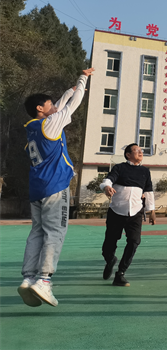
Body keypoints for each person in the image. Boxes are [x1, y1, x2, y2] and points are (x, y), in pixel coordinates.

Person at [18, 68, 94, 307]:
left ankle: (29, 278)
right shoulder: (51, 124)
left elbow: (61, 104)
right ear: (41, 109)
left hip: (37, 189)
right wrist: (82, 81)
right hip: (55, 186)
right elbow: (72, 105)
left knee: (37, 232)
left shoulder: (33, 128)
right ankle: (44, 280)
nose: (55, 108)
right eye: (50, 105)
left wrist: (68, 89)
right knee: (56, 232)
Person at [100, 143, 156, 287]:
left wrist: (152, 211)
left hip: (136, 212)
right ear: (128, 155)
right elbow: (109, 179)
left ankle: (121, 273)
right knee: (109, 243)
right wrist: (106, 187)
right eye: (137, 150)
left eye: (141, 150)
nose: (140, 152)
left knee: (134, 241)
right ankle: (110, 259)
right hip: (116, 211)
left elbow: (148, 191)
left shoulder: (145, 171)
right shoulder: (119, 168)